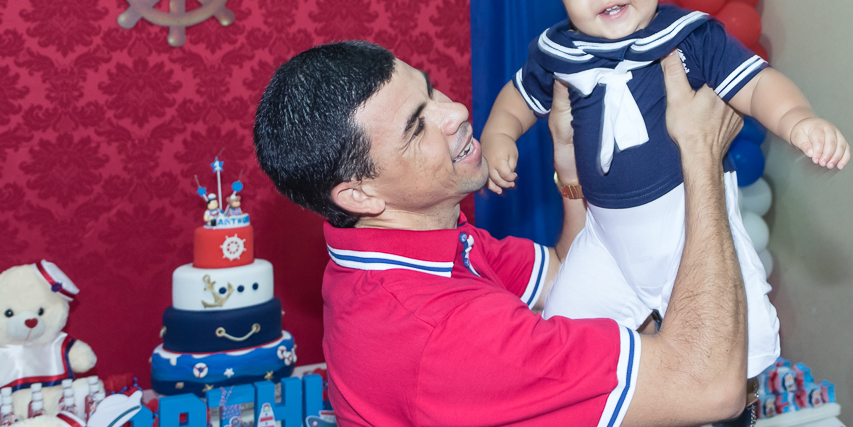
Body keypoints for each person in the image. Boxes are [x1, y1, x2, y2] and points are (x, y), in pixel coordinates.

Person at [254, 39, 751, 427]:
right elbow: (709, 386)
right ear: (359, 196)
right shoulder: (442, 334)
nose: (456, 113)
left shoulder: (414, 245)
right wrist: (700, 158)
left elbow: (566, 275)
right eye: (415, 127)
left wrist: (570, 171)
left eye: (429, 90)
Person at [482, 0, 849, 380]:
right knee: (563, 343)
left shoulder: (689, 37)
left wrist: (798, 120)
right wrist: (499, 136)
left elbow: (758, 86)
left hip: (689, 224)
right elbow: (515, 99)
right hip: (605, 239)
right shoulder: (559, 54)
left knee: (738, 353)